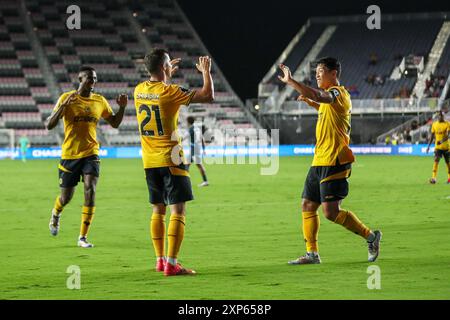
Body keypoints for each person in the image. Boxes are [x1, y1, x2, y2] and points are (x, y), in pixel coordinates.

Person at [278, 57, 382, 265]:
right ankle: (312, 254)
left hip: (335, 160)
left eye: (321, 71)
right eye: (316, 71)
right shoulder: (329, 101)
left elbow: (320, 95)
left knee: (330, 212)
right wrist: (311, 103)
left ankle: (371, 237)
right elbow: (325, 107)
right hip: (318, 161)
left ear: (333, 74)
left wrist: (292, 82)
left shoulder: (338, 93)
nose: (317, 74)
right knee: (307, 205)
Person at [134, 48, 214, 276]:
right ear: (163, 68)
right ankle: (172, 263)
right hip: (171, 157)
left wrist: (166, 73)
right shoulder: (170, 91)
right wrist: (206, 72)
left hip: (149, 161)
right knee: (178, 210)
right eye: (168, 63)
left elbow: (157, 92)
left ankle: (160, 260)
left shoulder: (138, 90)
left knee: (157, 210)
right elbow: (208, 95)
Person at [46, 65, 128, 248]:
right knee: (66, 197)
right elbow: (49, 125)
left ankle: (82, 237)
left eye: (95, 79)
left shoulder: (100, 101)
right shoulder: (66, 98)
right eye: (89, 78)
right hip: (70, 154)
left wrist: (122, 108)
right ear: (80, 79)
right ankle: (56, 214)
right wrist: (63, 108)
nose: (93, 82)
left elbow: (114, 123)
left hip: (91, 152)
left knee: (90, 190)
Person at [426, 110, 450, 184]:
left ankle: (449, 179)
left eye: (442, 115)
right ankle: (434, 178)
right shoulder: (434, 124)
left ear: (443, 116)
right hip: (438, 147)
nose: (440, 117)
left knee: (448, 163)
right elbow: (432, 136)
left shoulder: (447, 124)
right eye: (439, 115)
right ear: (437, 116)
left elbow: (448, 135)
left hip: (446, 147)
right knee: (436, 160)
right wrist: (428, 146)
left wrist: (442, 141)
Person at [186, 116, 209, 186]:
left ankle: (205, 181)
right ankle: (186, 182)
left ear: (188, 122)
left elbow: (184, 137)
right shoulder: (197, 128)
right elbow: (201, 139)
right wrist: (204, 149)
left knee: (198, 165)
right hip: (196, 149)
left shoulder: (191, 129)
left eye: (186, 122)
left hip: (194, 150)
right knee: (186, 165)